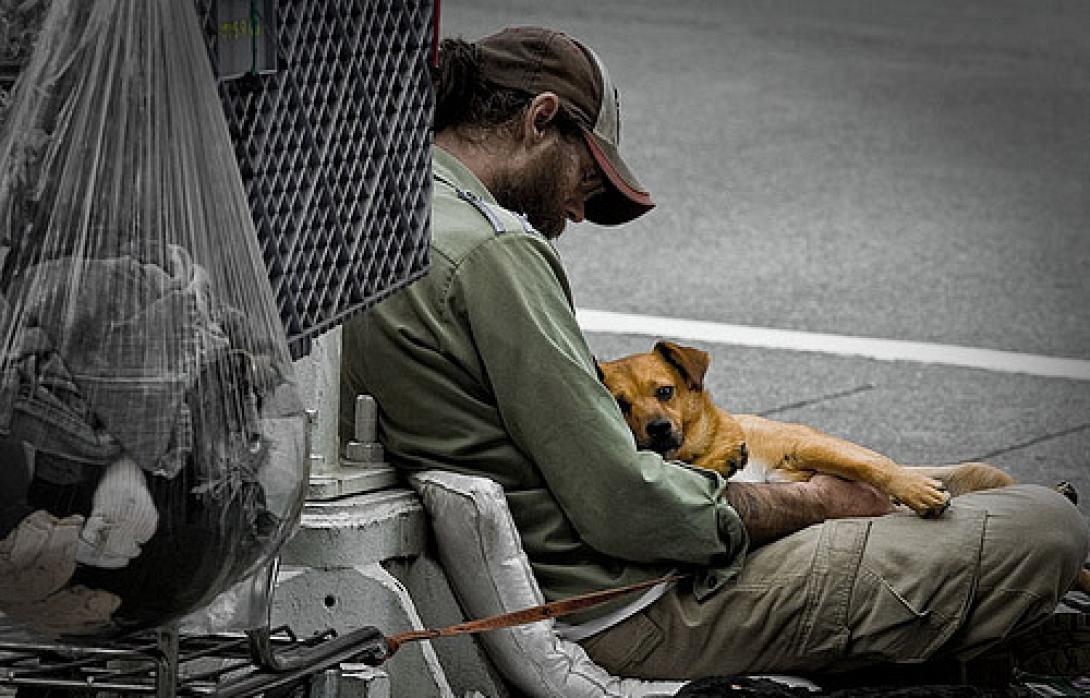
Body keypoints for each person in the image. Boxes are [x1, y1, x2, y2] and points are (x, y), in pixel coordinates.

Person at [340, 26, 1089, 680]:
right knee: (1047, 528)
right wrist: (809, 505)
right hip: (641, 606)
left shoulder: (381, 216)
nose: (575, 207)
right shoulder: (496, 251)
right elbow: (624, 504)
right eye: (586, 179)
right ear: (541, 121)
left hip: (582, 580)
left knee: (955, 492)